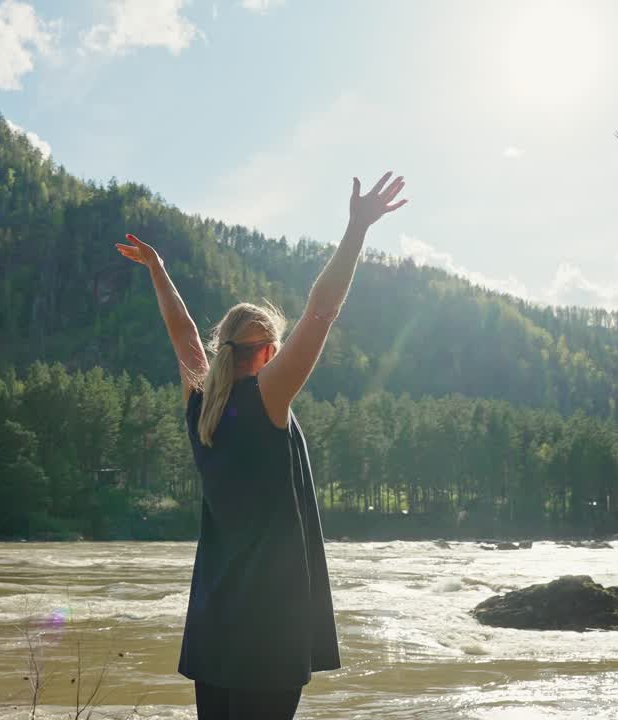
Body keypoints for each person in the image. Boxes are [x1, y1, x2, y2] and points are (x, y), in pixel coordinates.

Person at [116, 171, 408, 720]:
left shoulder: (202, 401)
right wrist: (356, 229)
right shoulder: (267, 397)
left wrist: (158, 270)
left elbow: (180, 331)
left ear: (222, 346)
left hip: (214, 617)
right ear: (270, 351)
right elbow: (322, 311)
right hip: (269, 623)